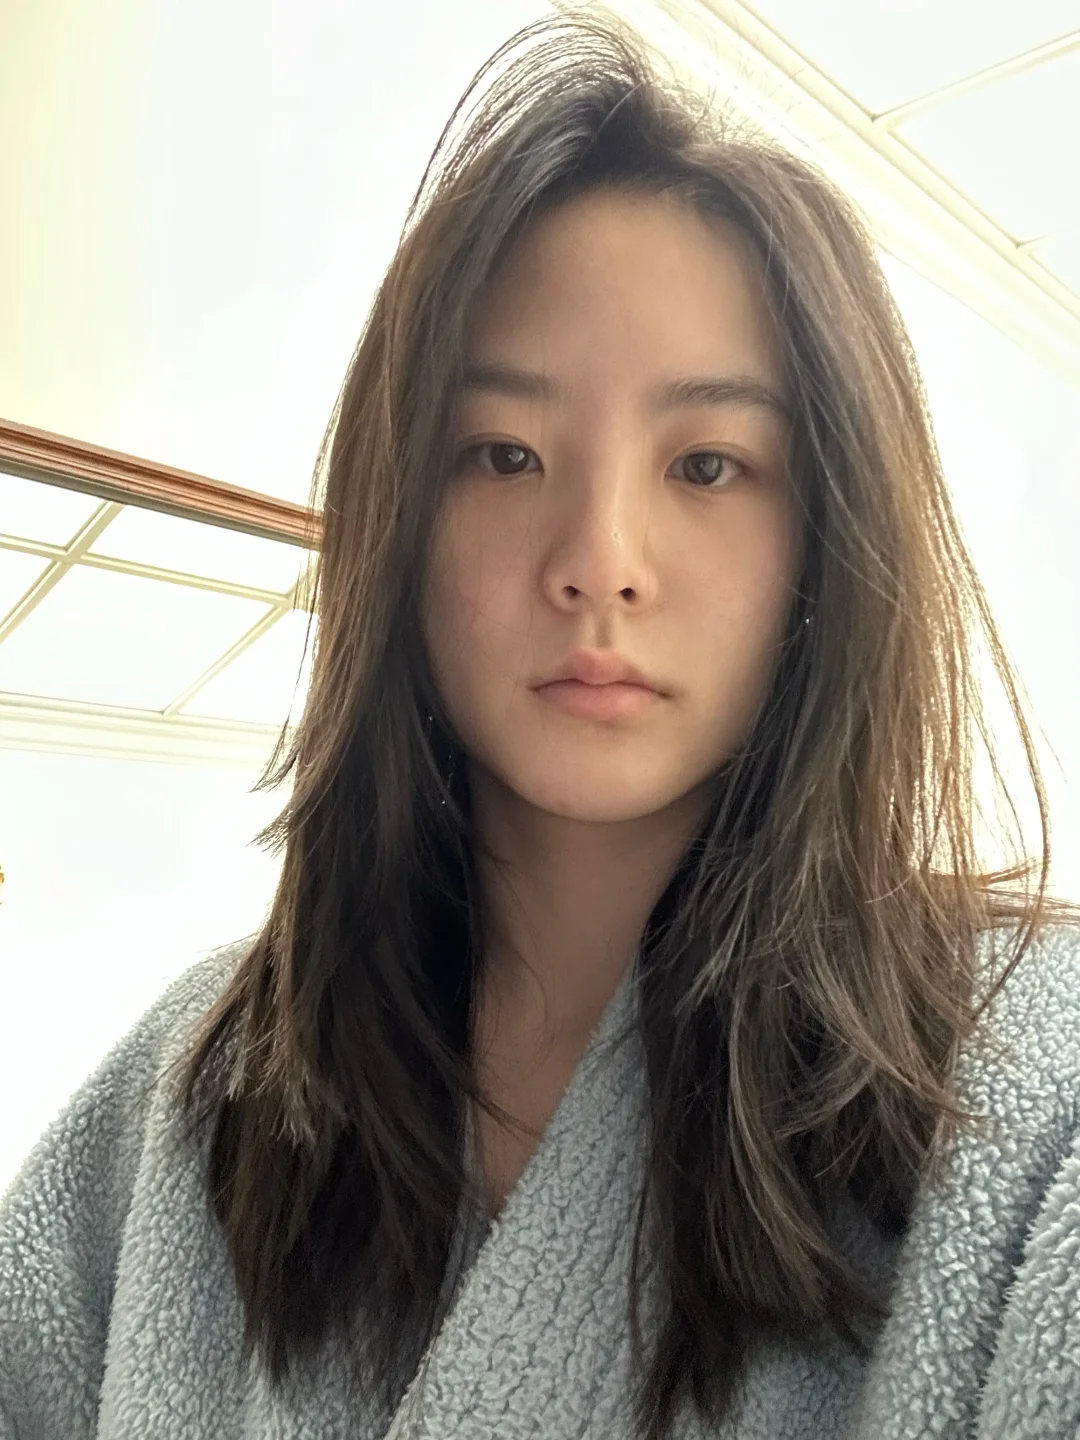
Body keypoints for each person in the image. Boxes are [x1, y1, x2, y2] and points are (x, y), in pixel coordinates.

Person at [2, 12, 1079, 1440]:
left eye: (709, 465)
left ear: (830, 535)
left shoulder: (1034, 1097)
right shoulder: (187, 1093)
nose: (598, 561)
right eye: (505, 454)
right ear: (400, 517)